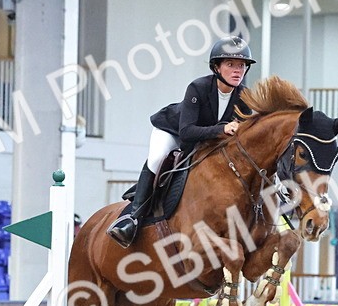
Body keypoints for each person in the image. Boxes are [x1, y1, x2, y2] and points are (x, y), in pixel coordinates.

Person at [107, 35, 256, 247]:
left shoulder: (244, 97)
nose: (237, 70)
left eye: (241, 65)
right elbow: (186, 132)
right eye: (230, 64)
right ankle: (133, 218)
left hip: (207, 142)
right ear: (216, 67)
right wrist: (223, 128)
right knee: (158, 158)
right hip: (173, 132)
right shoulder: (198, 87)